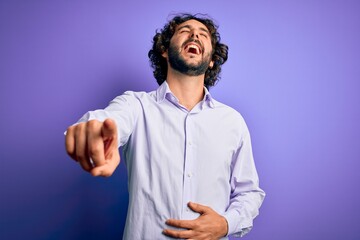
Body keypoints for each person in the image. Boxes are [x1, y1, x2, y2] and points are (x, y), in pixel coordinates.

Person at [65, 13, 265, 239]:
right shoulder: (136, 105)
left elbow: (249, 193)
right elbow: (107, 120)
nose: (194, 35)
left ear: (211, 60)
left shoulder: (233, 121)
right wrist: (93, 132)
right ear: (164, 50)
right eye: (184, 31)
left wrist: (226, 224)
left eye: (203, 35)